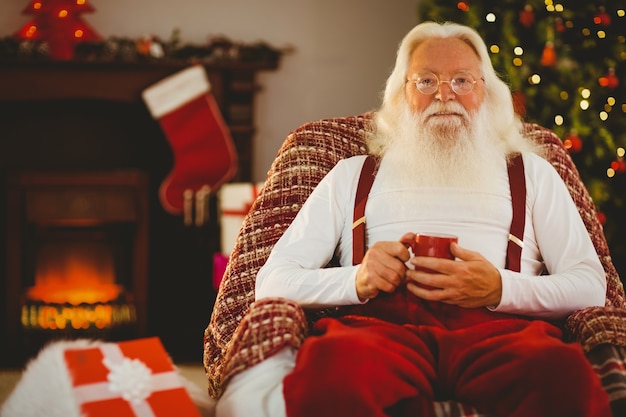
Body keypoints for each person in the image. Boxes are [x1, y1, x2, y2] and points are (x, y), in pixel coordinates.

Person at [215, 21, 612, 417]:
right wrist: (358, 278)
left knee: (565, 377)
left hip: (505, 333)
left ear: (486, 94)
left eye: (461, 81)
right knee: (329, 373)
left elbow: (592, 286)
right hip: (378, 334)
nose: (444, 95)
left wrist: (499, 289)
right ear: (401, 95)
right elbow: (271, 282)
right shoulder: (352, 174)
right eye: (425, 81)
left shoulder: (532, 172)